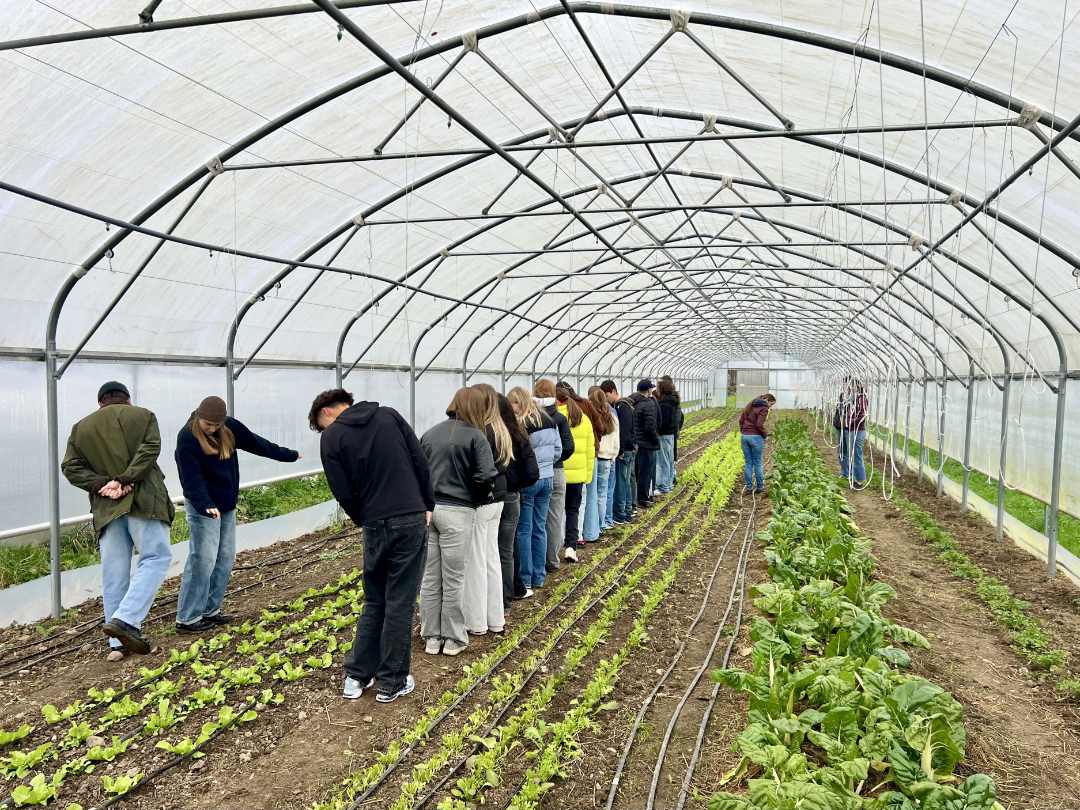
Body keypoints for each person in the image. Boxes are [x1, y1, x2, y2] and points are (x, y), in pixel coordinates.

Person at [311, 388, 434, 703]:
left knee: (375, 599)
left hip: (375, 522)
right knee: (400, 600)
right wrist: (427, 503)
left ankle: (356, 676)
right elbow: (419, 460)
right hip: (409, 515)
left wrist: (364, 517)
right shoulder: (388, 416)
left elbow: (342, 490)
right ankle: (392, 681)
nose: (325, 430)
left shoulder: (332, 437)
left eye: (321, 425)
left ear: (326, 412)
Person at [61, 381, 174, 660]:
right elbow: (149, 449)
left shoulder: (81, 427)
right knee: (155, 557)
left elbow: (70, 467)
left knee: (114, 572)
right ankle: (126, 620)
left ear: (100, 402)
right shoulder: (144, 416)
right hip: (143, 501)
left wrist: (102, 483)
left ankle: (117, 646)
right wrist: (125, 479)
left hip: (107, 507)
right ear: (128, 399)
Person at [175, 396, 300, 633]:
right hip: (203, 506)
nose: (212, 429)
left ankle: (210, 610)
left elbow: (257, 443)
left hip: (226, 504)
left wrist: (288, 455)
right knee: (203, 559)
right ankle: (187, 618)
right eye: (208, 424)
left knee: (225, 558)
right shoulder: (188, 437)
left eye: (216, 425)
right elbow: (190, 478)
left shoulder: (229, 427)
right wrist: (204, 503)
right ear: (199, 417)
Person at [419, 388, 497, 657]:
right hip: (458, 510)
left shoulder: (430, 434)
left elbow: (417, 471)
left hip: (430, 511)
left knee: (430, 577)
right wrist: (477, 497)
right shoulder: (476, 436)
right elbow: (486, 475)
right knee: (454, 578)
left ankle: (431, 637)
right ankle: (453, 638)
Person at [466, 384, 513, 636]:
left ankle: (476, 621)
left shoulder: (480, 432)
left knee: (477, 560)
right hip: (500, 497)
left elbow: (479, 472)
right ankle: (496, 618)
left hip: (484, 499)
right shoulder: (500, 428)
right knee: (491, 557)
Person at [508, 387, 557, 594]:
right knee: (540, 527)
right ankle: (539, 576)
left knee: (524, 530)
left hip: (530, 481)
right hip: (548, 478)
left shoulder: (522, 424)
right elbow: (558, 450)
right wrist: (546, 466)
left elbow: (521, 455)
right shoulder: (549, 420)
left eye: (513, 403)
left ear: (519, 403)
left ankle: (526, 578)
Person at [533, 380, 574, 573]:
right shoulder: (559, 418)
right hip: (556, 471)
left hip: (536, 472)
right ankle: (552, 560)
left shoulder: (531, 418)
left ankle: (536, 562)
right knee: (555, 518)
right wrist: (554, 459)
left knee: (536, 520)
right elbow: (568, 447)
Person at [554, 382, 595, 562]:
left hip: (558, 472)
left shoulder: (552, 418)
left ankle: (555, 548)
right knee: (572, 511)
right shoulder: (583, 418)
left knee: (556, 513)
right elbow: (590, 450)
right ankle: (571, 547)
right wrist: (587, 475)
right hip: (578, 475)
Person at [584, 386, 618, 539]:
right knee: (603, 494)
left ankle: (593, 527)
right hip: (607, 459)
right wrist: (613, 456)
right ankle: (601, 523)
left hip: (595, 457)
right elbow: (616, 440)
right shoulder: (612, 417)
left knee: (591, 495)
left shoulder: (591, 417)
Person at [602, 380, 636, 524]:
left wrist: (620, 450)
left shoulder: (622, 407)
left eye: (606, 395)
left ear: (613, 391)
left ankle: (621, 513)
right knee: (626, 481)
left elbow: (624, 432)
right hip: (629, 449)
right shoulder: (624, 405)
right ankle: (627, 511)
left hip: (625, 451)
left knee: (622, 483)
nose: (605, 399)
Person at [628, 379, 660, 510]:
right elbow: (650, 427)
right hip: (647, 444)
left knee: (636, 472)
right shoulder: (648, 404)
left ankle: (634, 499)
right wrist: (656, 440)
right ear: (648, 390)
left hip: (636, 442)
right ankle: (643, 499)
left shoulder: (632, 401)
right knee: (645, 473)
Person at [739, 393, 776, 494]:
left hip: (744, 436)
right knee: (758, 462)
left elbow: (741, 420)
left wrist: (744, 431)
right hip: (755, 437)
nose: (770, 407)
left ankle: (749, 488)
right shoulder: (764, 408)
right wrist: (765, 435)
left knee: (748, 463)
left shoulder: (751, 405)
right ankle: (760, 487)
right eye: (771, 404)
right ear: (766, 399)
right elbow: (759, 424)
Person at [836, 381, 869, 484]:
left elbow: (862, 414)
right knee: (853, 454)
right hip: (851, 429)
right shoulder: (853, 398)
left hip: (857, 430)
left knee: (856, 455)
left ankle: (859, 480)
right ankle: (854, 477)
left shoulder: (861, 399)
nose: (850, 388)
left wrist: (849, 421)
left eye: (852, 386)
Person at [655, 378, 682, 495]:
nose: (657, 389)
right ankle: (669, 484)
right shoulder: (673, 400)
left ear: (662, 388)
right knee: (669, 460)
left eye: (658, 387)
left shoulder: (665, 403)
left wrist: (658, 431)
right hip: (671, 434)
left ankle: (664, 486)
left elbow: (664, 421)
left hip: (664, 434)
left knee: (663, 461)